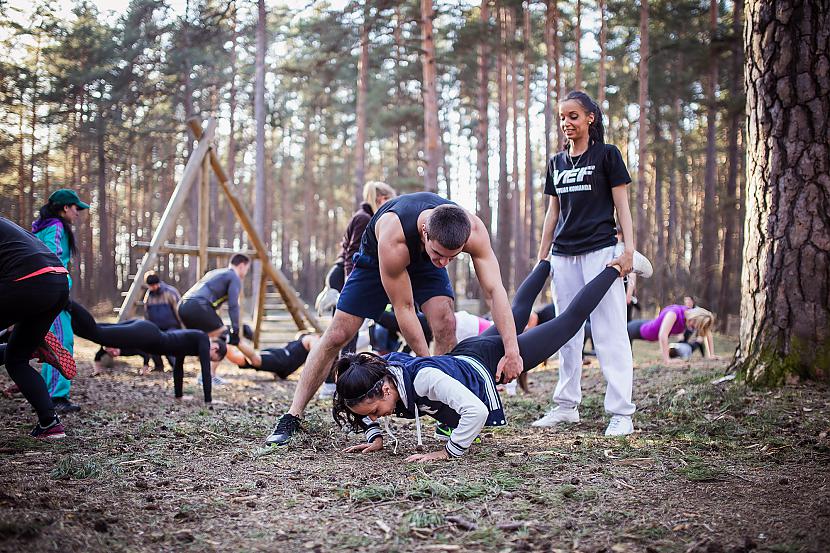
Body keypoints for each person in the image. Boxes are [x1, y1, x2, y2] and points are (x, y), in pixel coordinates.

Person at [333, 252, 652, 462]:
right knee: (514, 313)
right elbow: (358, 405)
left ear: (385, 390)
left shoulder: (423, 380)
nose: (376, 416)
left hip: (486, 361)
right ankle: (547, 262)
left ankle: (618, 266)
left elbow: (476, 410)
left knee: (567, 323)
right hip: (467, 355)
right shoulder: (376, 377)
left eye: (376, 411)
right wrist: (374, 437)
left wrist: (447, 452)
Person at [266, 192, 523, 446]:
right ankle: (292, 415)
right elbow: (405, 308)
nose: (444, 263)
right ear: (425, 232)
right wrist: (427, 366)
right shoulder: (394, 233)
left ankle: (445, 412)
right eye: (440, 253)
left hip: (422, 260)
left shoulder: (472, 230)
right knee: (338, 334)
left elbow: (495, 291)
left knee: (446, 323)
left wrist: (512, 351)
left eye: (452, 257)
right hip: (377, 260)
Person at [534, 90, 641, 436]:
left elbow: (622, 206)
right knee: (567, 331)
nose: (567, 123)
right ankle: (566, 406)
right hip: (563, 255)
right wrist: (543, 254)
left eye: (573, 116)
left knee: (610, 329)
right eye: (563, 117)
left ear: (590, 118)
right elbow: (553, 212)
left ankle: (621, 412)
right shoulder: (556, 163)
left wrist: (627, 250)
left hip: (601, 252)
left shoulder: (608, 155)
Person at [0, 216, 78, 439]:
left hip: (28, 282)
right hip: (58, 282)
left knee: (16, 354)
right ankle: (50, 424)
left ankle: (20, 340)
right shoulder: (8, 225)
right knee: (16, 359)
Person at [319, 181, 398, 398]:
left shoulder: (364, 218)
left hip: (342, 278)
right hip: (343, 279)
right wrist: (350, 287)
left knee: (345, 336)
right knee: (343, 336)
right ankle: (334, 383)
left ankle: (333, 382)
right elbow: (351, 256)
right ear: (381, 200)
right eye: (390, 202)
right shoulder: (364, 219)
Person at [65, 301, 226, 405]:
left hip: (145, 331)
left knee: (94, 332)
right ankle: (67, 301)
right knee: (97, 332)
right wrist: (209, 401)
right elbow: (206, 371)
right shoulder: (204, 339)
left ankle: (65, 315)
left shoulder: (189, 342)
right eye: (213, 358)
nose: (207, 358)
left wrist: (179, 396)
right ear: (215, 349)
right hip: (147, 335)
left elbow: (178, 368)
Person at [32, 188, 89, 414]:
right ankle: (56, 396)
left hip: (45, 293)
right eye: (76, 209)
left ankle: (48, 394)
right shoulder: (56, 228)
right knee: (61, 343)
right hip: (53, 294)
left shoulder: (44, 227)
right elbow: (53, 258)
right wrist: (60, 293)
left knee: (48, 345)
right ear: (65, 208)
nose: (78, 213)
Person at [178, 254, 251, 341]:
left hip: (182, 306)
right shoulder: (234, 277)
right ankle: (253, 355)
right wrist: (235, 330)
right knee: (223, 337)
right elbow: (233, 305)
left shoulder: (214, 272)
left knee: (201, 340)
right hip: (198, 306)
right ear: (242, 266)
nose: (246, 272)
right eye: (247, 269)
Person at [628, 305, 717, 363]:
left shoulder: (689, 315)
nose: (692, 327)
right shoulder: (674, 314)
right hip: (639, 330)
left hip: (646, 327)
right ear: (694, 317)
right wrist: (667, 359)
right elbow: (663, 335)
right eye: (694, 324)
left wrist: (711, 354)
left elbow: (707, 333)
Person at [225, 334, 320, 379]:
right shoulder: (310, 338)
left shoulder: (299, 346)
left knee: (239, 359)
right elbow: (317, 354)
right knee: (255, 360)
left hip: (281, 362)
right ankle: (233, 340)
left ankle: (224, 340)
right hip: (282, 357)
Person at [142, 272, 183, 371]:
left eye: (154, 285)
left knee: (168, 343)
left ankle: (176, 367)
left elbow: (179, 311)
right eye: (151, 286)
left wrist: (183, 326)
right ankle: (159, 366)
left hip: (172, 326)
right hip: (156, 327)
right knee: (152, 343)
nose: (153, 287)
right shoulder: (149, 296)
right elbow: (147, 313)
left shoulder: (170, 292)